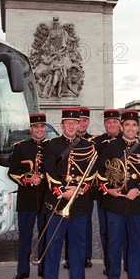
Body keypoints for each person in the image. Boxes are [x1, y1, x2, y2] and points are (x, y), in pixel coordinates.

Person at [41, 108, 98, 279]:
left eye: (76, 123)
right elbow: (48, 170)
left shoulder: (88, 146)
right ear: (62, 125)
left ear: (80, 124)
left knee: (78, 244)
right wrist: (62, 190)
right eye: (68, 123)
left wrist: (78, 190)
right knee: (53, 246)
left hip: (79, 202)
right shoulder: (51, 145)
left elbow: (92, 174)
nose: (72, 126)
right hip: (58, 200)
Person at [97, 110, 140, 279]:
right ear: (122, 127)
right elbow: (99, 171)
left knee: (136, 240)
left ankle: (135, 276)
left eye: (134, 125)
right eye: (127, 125)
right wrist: (108, 189)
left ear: (137, 128)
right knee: (114, 240)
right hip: (115, 202)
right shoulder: (110, 146)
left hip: (135, 202)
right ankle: (114, 278)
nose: (130, 128)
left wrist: (138, 190)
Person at [8, 113, 49, 279]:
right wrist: (28, 179)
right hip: (26, 198)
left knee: (44, 235)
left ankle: (44, 268)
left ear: (45, 128)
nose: (39, 130)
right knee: (25, 235)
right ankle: (23, 270)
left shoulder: (52, 146)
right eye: (36, 127)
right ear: (31, 129)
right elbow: (12, 172)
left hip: (46, 198)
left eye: (42, 126)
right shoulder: (20, 147)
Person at [93, 109, 123, 276]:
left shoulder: (128, 140)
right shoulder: (97, 142)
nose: (112, 125)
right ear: (104, 124)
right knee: (105, 230)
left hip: (124, 193)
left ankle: (129, 264)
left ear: (119, 124)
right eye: (108, 122)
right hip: (104, 193)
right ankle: (109, 265)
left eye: (114, 122)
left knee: (125, 230)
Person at [63, 107, 94, 270]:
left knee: (86, 223)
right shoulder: (61, 142)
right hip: (67, 190)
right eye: (77, 120)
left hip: (86, 190)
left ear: (87, 122)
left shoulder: (93, 141)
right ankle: (70, 257)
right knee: (68, 221)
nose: (80, 123)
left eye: (83, 120)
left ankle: (86, 255)